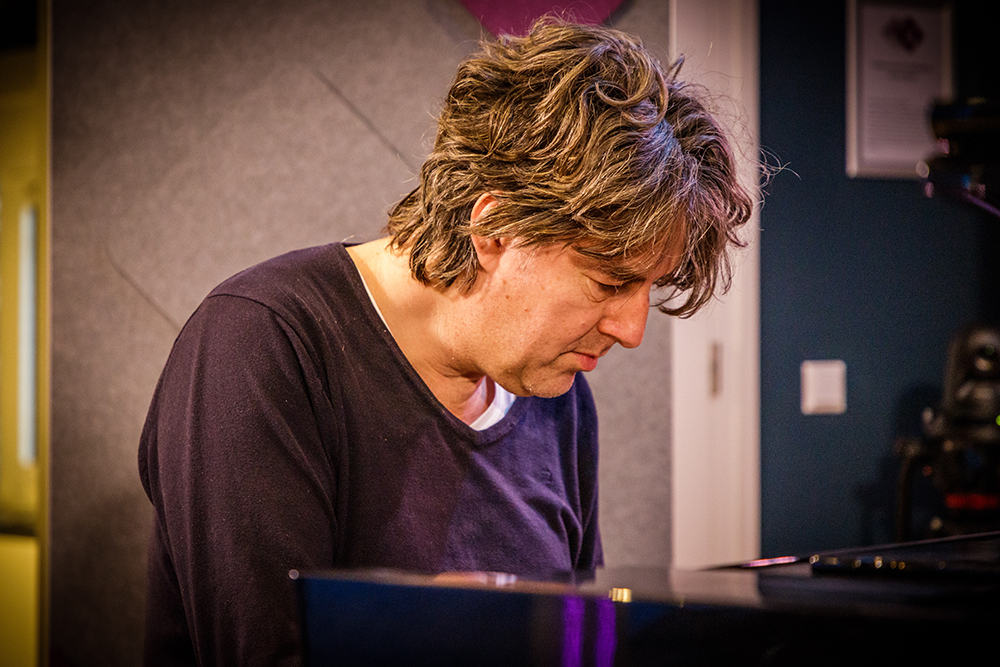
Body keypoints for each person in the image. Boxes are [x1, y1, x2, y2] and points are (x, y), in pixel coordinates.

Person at [138, 17, 753, 667]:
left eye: (649, 289)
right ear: (493, 229)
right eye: (609, 281)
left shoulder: (555, 393)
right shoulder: (262, 345)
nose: (632, 330)